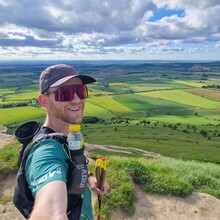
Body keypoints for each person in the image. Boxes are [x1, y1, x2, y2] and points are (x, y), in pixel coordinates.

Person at [25, 64, 109, 220]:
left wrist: (88, 178)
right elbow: (50, 210)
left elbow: (71, 166)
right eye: (66, 93)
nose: (77, 100)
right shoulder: (45, 151)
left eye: (80, 91)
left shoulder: (69, 136)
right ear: (44, 101)